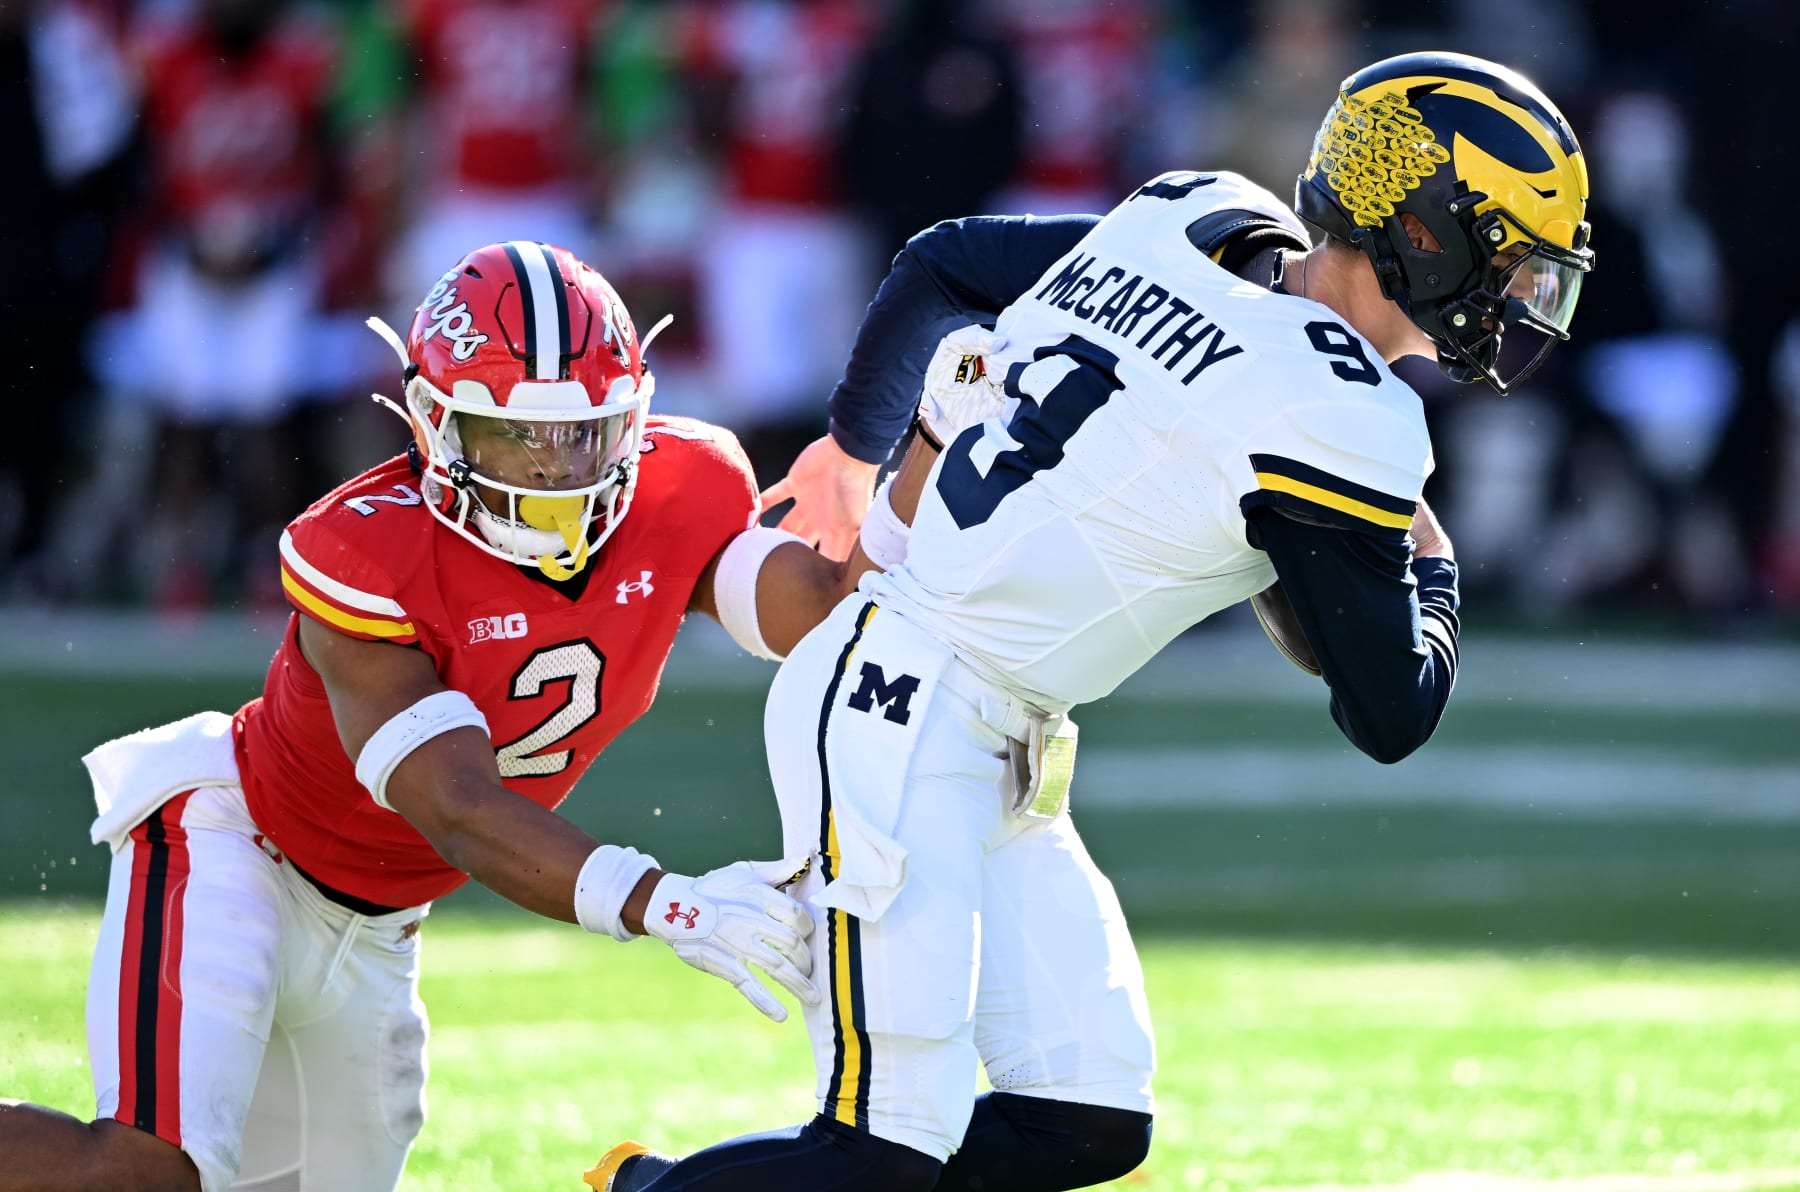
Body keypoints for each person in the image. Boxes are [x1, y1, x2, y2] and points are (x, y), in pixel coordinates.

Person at [587, 51, 1594, 1191]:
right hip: (901, 704)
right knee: (883, 1142)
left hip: (989, 720)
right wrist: (1435, 559)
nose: (1517, 294)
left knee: (1086, 1117)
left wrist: (854, 447)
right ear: (1425, 229)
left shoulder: (1195, 217)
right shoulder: (1344, 416)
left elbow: (943, 264)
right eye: (1506, 256)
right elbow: (1392, 706)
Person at [0, 241, 879, 1192]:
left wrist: (927, 468)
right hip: (237, 852)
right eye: (517, 436)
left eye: (583, 432)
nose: (556, 470)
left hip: (381, 925)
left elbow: (833, 616)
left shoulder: (684, 485)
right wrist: (663, 901)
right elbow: (456, 804)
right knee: (145, 1175)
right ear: (435, 423)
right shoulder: (364, 549)